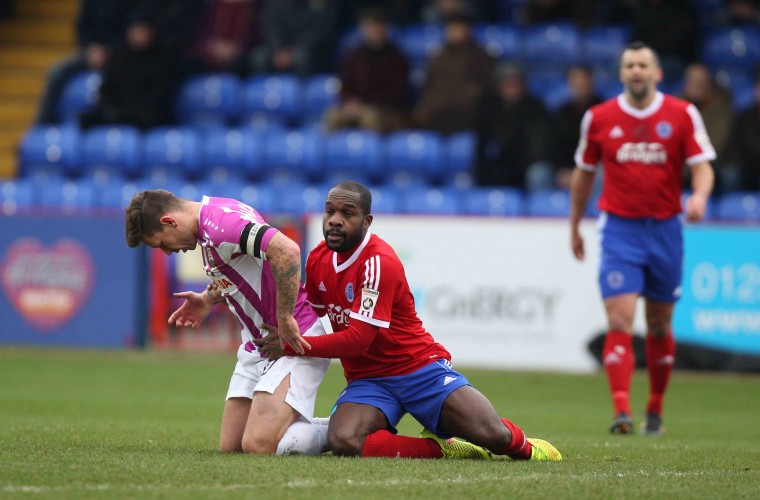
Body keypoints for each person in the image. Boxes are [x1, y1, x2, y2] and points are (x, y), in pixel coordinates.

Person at [255, 181, 562, 461]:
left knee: (494, 435)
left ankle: (526, 447)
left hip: (417, 368)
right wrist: (281, 326)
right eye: (329, 211)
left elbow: (359, 339)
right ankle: (440, 449)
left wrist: (290, 345)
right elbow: (316, 321)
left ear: (366, 221)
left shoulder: (378, 262)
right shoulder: (317, 258)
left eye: (347, 213)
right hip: (368, 380)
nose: (335, 220)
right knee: (344, 439)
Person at [569, 41, 715, 436]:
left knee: (658, 325)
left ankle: (655, 408)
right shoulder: (598, 118)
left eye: (643, 65)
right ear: (621, 73)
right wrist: (575, 224)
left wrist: (699, 196)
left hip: (666, 230)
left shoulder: (683, 114)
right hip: (619, 229)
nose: (636, 71)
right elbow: (584, 175)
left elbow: (701, 166)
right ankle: (622, 410)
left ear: (657, 73)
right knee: (619, 318)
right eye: (629, 65)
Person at [125, 189, 331, 455]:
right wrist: (209, 298)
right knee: (232, 447)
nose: (166, 252)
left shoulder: (221, 225)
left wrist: (285, 319)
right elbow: (246, 270)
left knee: (258, 445)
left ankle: (338, 431)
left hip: (292, 340)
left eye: (161, 243)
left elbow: (286, 250)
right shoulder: (211, 220)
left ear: (169, 222)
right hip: (258, 347)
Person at [34, 0, 136, 124]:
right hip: (90, 53)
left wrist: (110, 51)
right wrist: (90, 48)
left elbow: (131, 32)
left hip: (121, 55)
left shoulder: (130, 3)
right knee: (57, 71)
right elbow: (81, 27)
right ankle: (41, 124)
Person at [323, 7, 409, 134]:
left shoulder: (397, 58)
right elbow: (345, 85)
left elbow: (396, 92)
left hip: (384, 110)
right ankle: (329, 152)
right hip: (356, 106)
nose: (375, 31)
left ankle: (373, 152)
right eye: (370, 26)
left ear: (385, 29)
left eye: (378, 26)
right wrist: (350, 102)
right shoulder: (354, 55)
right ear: (363, 29)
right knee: (333, 115)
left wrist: (364, 105)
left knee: (370, 118)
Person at [410, 9, 495, 135]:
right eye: (451, 28)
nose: (454, 32)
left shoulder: (480, 56)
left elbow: (486, 88)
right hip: (436, 111)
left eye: (459, 27)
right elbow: (427, 87)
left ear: (468, 30)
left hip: (465, 112)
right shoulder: (438, 57)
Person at [475, 61, 553, 189]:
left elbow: (539, 147)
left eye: (516, 85)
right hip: (498, 166)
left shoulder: (535, 108)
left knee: (538, 173)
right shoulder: (490, 108)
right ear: (499, 87)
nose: (513, 90)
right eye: (508, 85)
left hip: (525, 166)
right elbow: (483, 145)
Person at [680, 63, 736, 192]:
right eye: (691, 82)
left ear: (709, 85)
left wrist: (694, 164)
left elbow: (716, 145)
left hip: (713, 164)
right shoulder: (677, 108)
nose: (694, 87)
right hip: (683, 165)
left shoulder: (721, 109)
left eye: (699, 82)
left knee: (731, 175)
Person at [730, 70, 760, 190]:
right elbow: (744, 144)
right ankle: (732, 206)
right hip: (748, 163)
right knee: (731, 175)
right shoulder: (745, 116)